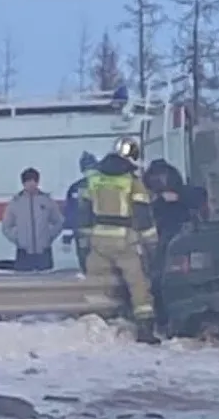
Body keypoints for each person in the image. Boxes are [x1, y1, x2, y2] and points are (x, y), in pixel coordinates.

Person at [78, 137, 160, 344]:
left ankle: (96, 328)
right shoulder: (133, 182)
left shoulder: (94, 179)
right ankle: (144, 330)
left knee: (97, 284)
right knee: (138, 285)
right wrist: (152, 242)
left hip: (98, 239)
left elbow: (84, 212)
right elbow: (142, 216)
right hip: (124, 240)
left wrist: (85, 238)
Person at [142, 158, 202, 333]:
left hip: (179, 238)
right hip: (164, 239)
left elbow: (198, 198)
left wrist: (179, 197)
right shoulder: (152, 198)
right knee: (158, 279)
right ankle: (163, 319)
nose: (160, 182)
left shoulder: (184, 193)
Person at [1, 168, 64, 271]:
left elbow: (59, 222)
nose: (31, 184)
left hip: (44, 251)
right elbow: (6, 227)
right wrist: (18, 239)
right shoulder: (15, 203)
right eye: (28, 181)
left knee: (47, 281)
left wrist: (49, 237)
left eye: (34, 180)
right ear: (23, 183)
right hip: (24, 252)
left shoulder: (47, 201)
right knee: (24, 282)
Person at [62, 151, 98, 271]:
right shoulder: (106, 185)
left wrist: (67, 238)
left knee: (85, 263)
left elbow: (70, 213)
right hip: (102, 234)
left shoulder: (75, 187)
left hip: (82, 234)